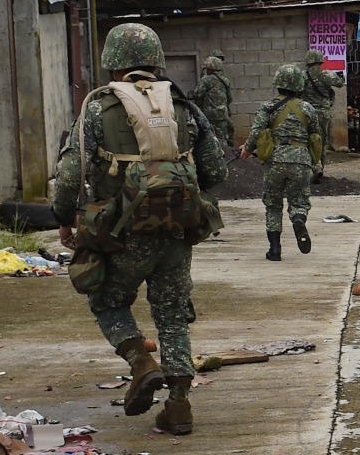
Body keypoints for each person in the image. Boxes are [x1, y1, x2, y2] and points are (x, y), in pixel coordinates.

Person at [51, 23, 228, 435]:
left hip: (121, 234)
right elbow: (216, 170)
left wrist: (64, 219)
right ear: (157, 60)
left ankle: (140, 362)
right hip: (177, 232)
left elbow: (70, 175)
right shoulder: (184, 105)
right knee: (172, 315)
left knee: (107, 300)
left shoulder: (97, 107)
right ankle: (179, 406)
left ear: (113, 62)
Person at [240, 64, 322, 260]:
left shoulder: (268, 107)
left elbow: (257, 131)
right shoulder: (308, 108)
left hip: (275, 160)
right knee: (299, 200)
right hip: (301, 160)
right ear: (298, 85)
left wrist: (247, 148)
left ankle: (275, 250)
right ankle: (298, 219)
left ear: (278, 84)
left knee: (273, 204)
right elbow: (316, 135)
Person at [300, 49, 345, 183]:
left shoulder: (303, 76)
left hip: (307, 112)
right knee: (322, 141)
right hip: (323, 114)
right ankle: (321, 170)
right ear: (320, 60)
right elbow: (340, 83)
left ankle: (313, 167)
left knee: (308, 140)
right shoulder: (327, 75)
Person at [193, 56, 233, 146]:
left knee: (210, 139)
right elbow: (230, 98)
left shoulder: (206, 80)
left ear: (210, 68)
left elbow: (197, 94)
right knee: (222, 139)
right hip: (223, 115)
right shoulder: (225, 81)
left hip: (209, 115)